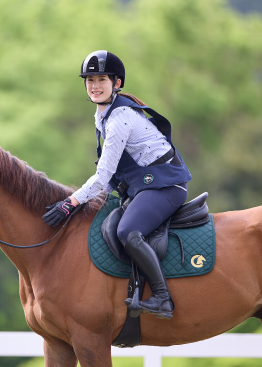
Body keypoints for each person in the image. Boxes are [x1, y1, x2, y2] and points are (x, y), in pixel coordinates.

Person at [42, 50, 192, 320]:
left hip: (166, 188)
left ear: (117, 83)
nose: (94, 86)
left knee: (128, 231)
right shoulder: (103, 115)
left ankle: (162, 298)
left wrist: (70, 202)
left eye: (101, 79)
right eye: (89, 80)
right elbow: (113, 175)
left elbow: (102, 175)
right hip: (144, 188)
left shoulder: (120, 117)